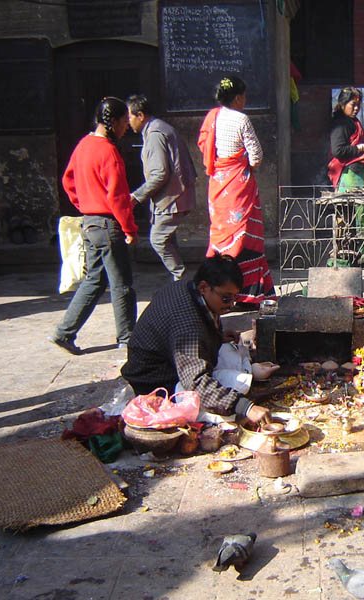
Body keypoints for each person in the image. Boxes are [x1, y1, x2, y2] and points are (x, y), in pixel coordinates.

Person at [121, 254, 272, 424]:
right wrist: (246, 407)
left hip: (168, 358)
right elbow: (196, 382)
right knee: (226, 414)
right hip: (154, 379)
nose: (231, 305)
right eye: (226, 298)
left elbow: (181, 332)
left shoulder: (187, 286)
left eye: (234, 299)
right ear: (203, 287)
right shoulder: (188, 324)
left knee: (230, 351)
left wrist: (216, 336)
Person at [49, 97, 138, 355]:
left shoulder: (83, 145)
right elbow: (118, 196)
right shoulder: (109, 152)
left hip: (89, 223)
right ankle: (127, 338)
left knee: (94, 281)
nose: (126, 128)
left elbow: (69, 182)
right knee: (121, 284)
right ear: (115, 122)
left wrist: (84, 203)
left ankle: (64, 332)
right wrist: (130, 229)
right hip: (108, 224)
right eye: (124, 122)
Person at [197, 75, 275, 307]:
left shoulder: (212, 117)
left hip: (218, 185)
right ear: (239, 97)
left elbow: (204, 146)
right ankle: (247, 293)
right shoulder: (241, 119)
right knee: (244, 238)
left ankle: (215, 290)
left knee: (221, 237)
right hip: (239, 186)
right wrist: (244, 164)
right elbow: (257, 156)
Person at [126, 94, 197, 281]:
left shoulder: (156, 134)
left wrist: (136, 196)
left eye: (129, 117)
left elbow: (160, 173)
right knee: (168, 239)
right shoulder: (159, 129)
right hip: (172, 196)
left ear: (140, 115)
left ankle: (180, 280)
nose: (128, 122)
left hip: (172, 197)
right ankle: (180, 282)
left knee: (158, 239)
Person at [327, 86, 364, 263]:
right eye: (352, 104)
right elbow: (339, 151)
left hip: (359, 176)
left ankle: (363, 255)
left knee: (363, 215)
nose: (356, 108)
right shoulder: (340, 124)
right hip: (348, 177)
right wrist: (362, 147)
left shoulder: (353, 121)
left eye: (358, 104)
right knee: (348, 218)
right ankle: (345, 256)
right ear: (342, 104)